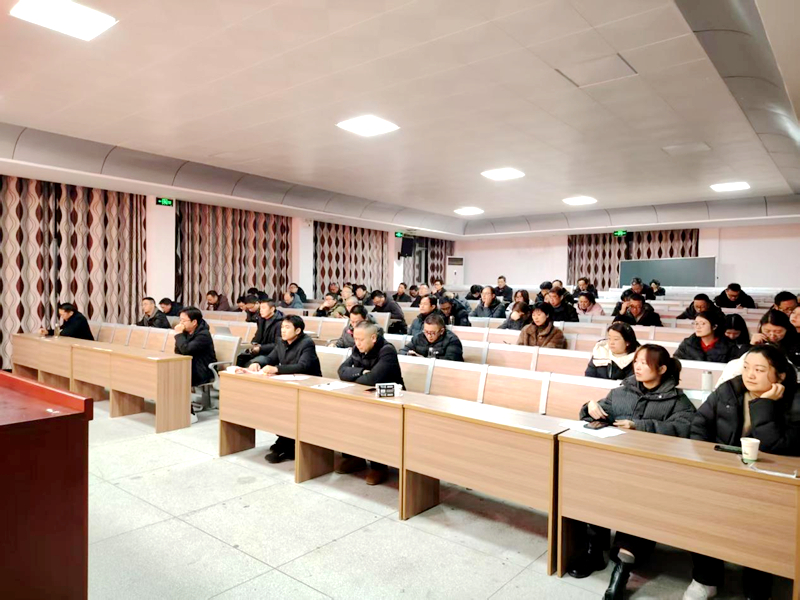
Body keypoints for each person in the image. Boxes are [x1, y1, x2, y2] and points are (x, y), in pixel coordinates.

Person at [571, 345, 694, 597]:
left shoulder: (677, 401)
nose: (637, 367)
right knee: (591, 484)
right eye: (636, 361)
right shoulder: (621, 392)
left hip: (651, 471)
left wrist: (641, 426)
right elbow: (596, 414)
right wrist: (588, 408)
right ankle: (595, 550)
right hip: (614, 463)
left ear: (662, 369)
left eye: (644, 363)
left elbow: (686, 428)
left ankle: (623, 566)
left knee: (640, 499)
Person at [685, 345, 800, 600]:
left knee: (761, 526)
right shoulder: (730, 389)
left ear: (780, 375)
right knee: (701, 510)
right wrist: (708, 462)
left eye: (759, 370)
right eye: (746, 367)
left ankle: (757, 588)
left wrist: (764, 403)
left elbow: (777, 446)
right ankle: (706, 578)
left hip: (770, 480)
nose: (749, 375)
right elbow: (699, 424)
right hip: (722, 471)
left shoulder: (795, 400)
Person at [336, 321, 405, 486]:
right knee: (346, 414)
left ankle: (379, 466)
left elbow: (372, 379)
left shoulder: (387, 350)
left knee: (374, 421)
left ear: (373, 338)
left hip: (389, 400)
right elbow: (341, 371)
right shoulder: (357, 349)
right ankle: (355, 457)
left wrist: (358, 376)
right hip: (365, 395)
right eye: (355, 339)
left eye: (361, 339)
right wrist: (361, 371)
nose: (357, 343)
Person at [248, 315, 322, 464]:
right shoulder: (281, 342)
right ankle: (284, 439)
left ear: (298, 330)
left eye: (287, 327)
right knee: (277, 407)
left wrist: (277, 369)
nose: (283, 330)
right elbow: (270, 358)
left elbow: (303, 366)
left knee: (289, 409)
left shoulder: (307, 343)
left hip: (309, 385)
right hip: (290, 384)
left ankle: (287, 444)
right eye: (282, 327)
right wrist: (257, 363)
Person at [173, 307, 217, 417]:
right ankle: (175, 408)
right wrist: (180, 335)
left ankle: (188, 412)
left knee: (179, 377)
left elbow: (186, 350)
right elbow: (178, 350)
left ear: (194, 322)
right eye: (180, 320)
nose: (181, 323)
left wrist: (178, 335)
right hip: (190, 365)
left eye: (184, 321)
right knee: (170, 373)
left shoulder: (203, 334)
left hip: (203, 369)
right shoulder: (185, 332)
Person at [674, 311, 738, 363]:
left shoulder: (730, 347)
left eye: (703, 324)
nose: (698, 327)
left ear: (714, 327)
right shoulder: (687, 344)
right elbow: (676, 362)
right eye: (696, 323)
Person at [236, 300, 283, 368]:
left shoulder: (280, 323)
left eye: (263, 308)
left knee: (251, 363)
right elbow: (257, 336)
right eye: (260, 308)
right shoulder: (261, 320)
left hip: (271, 354)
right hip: (260, 350)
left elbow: (278, 345)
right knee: (239, 357)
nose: (261, 310)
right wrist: (251, 345)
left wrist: (260, 348)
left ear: (272, 309)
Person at [399, 314, 464, 361]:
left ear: (441, 331)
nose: (429, 336)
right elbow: (402, 351)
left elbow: (450, 361)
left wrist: (424, 360)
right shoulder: (419, 337)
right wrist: (408, 354)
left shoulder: (452, 340)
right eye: (426, 331)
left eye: (432, 333)